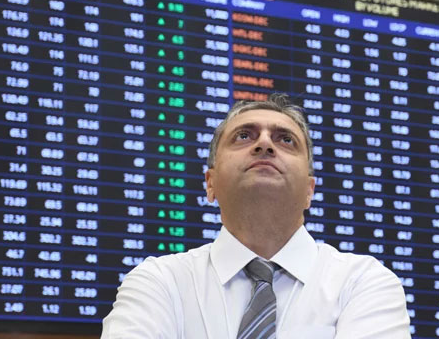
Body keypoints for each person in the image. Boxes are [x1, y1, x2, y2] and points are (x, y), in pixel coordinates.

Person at [101, 93, 411, 338]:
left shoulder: (365, 282)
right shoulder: (159, 281)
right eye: (244, 136)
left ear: (308, 191)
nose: (264, 143)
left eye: (285, 140)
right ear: (210, 184)